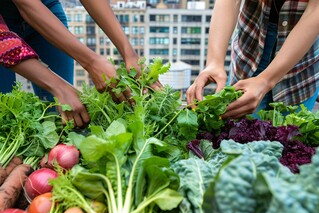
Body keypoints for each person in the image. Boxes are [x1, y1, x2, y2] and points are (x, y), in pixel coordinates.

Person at [0, 0, 162, 124]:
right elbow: (26, 5)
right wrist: (91, 63)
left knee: (67, 112)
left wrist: (129, 54)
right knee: (6, 113)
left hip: (45, 6)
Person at [186, 0, 319, 119]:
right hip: (251, 44)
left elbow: (315, 10)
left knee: (291, 136)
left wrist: (265, 80)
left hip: (300, 57)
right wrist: (214, 62)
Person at [0, 15, 90, 127]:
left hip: (42, 6)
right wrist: (59, 88)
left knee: (70, 111)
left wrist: (92, 61)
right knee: (5, 117)